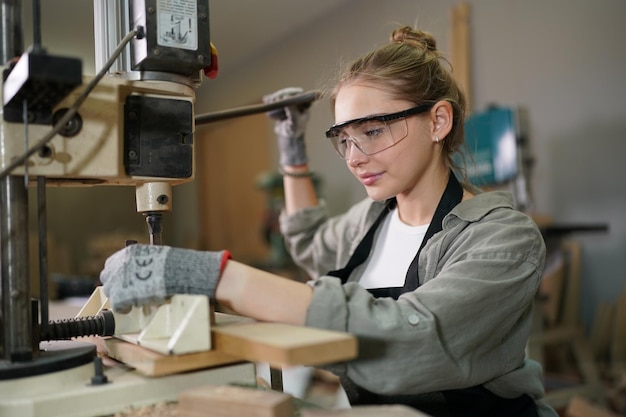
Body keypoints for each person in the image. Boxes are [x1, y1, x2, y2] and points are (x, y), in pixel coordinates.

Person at [100, 26, 557, 417]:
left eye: (373, 131)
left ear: (437, 121)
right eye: (344, 139)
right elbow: (310, 242)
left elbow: (412, 341)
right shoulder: (372, 219)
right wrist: (292, 152)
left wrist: (210, 275)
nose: (355, 159)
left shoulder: (503, 237)